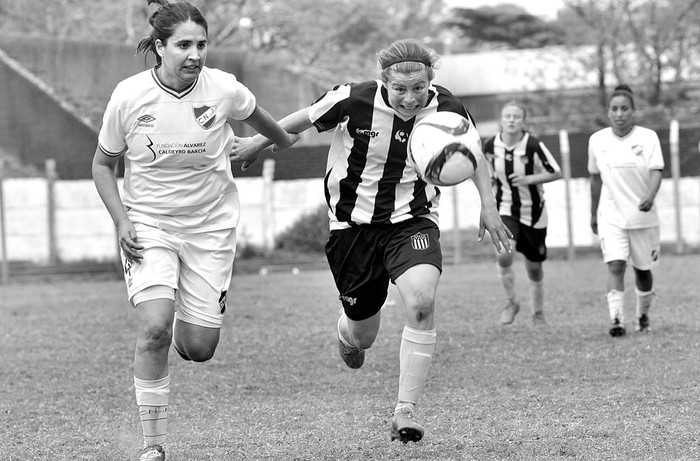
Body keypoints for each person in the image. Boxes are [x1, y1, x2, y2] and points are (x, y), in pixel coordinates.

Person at [230, 38, 512, 444]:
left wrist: (488, 204)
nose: (411, 98)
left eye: (419, 88)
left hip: (412, 221)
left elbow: (474, 153)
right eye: (400, 89)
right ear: (384, 81)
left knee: (421, 300)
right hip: (352, 228)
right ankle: (347, 331)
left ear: (430, 79)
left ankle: (405, 411)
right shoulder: (352, 99)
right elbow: (301, 120)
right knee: (364, 334)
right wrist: (258, 142)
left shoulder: (448, 107)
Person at [91, 1, 295, 460]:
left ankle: (187, 302)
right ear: (159, 47)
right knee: (154, 329)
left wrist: (258, 143)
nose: (195, 54)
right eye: (183, 45)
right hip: (148, 224)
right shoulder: (128, 96)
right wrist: (122, 221)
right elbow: (103, 165)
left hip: (210, 229)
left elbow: (285, 135)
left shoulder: (224, 89)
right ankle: (153, 445)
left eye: (201, 44)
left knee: (199, 348)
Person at [588, 84, 664, 337]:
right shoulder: (597, 140)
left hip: (643, 217)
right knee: (616, 265)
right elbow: (595, 179)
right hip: (611, 215)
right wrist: (592, 213)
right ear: (608, 112)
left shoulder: (648, 137)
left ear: (633, 111)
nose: (619, 114)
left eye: (624, 109)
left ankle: (642, 315)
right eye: (614, 109)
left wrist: (650, 196)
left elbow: (656, 170)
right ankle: (617, 320)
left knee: (643, 271)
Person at [483, 101, 562, 326]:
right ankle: (511, 302)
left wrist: (529, 179)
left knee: (534, 267)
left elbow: (556, 172)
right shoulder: (490, 146)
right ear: (501, 120)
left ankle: (538, 313)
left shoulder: (533, 145)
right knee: (504, 253)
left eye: (516, 116)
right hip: (506, 209)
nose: (511, 120)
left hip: (534, 214)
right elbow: (485, 170)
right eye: (507, 115)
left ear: (523, 121)